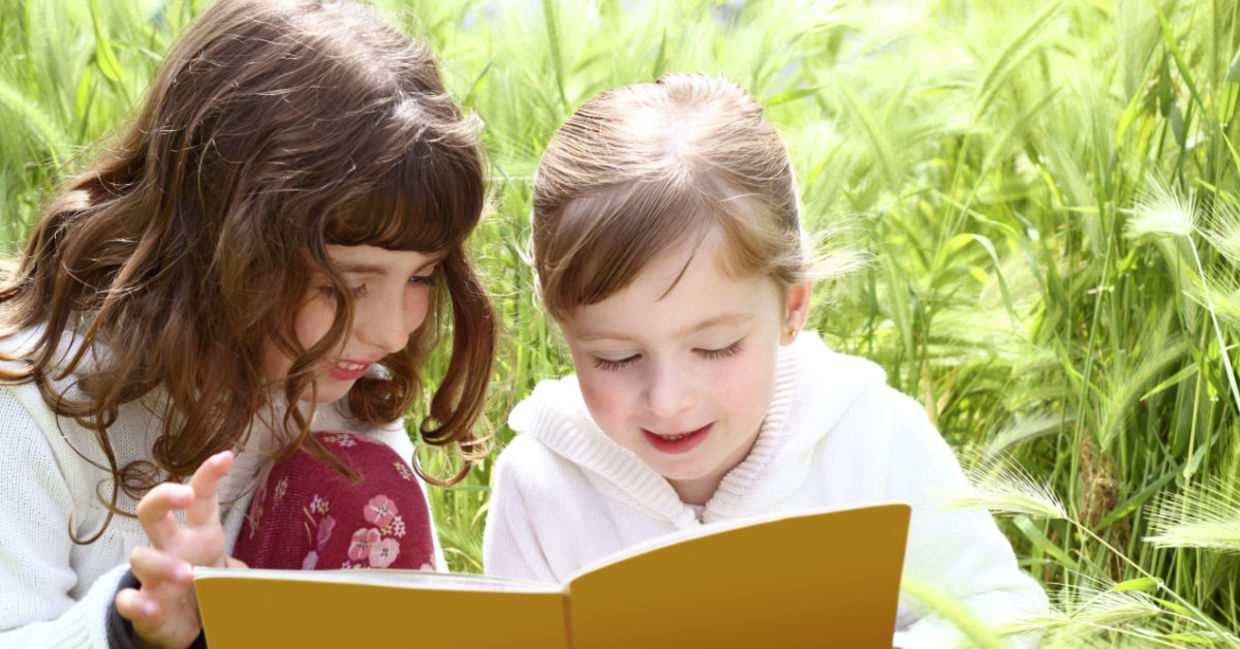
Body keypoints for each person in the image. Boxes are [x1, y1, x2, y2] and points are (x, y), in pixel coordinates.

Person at [481, 73, 1047, 648]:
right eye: (616, 358)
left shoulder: (874, 440)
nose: (668, 399)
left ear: (791, 308)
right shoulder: (541, 482)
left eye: (716, 347)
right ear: (566, 331)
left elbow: (1004, 615)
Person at [0, 1, 496, 647]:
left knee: (360, 484)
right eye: (343, 285)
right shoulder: (34, 395)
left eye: (423, 276)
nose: (392, 334)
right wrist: (132, 625)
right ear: (216, 247)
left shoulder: (342, 379)